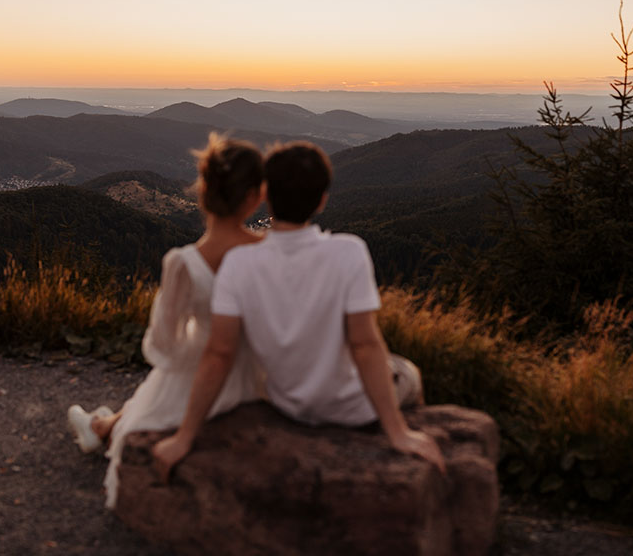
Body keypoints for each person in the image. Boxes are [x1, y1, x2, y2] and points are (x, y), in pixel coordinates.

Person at [151, 141, 444, 480]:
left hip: (286, 404)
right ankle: (407, 432)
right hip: (349, 408)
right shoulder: (349, 252)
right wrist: (398, 433)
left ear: (266, 196)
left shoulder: (239, 264)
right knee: (408, 373)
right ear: (322, 200)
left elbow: (219, 354)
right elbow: (365, 346)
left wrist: (184, 437)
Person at [66, 133, 267, 509]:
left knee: (163, 381)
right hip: (257, 375)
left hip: (207, 371)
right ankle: (104, 425)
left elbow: (163, 346)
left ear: (203, 190)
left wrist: (192, 346)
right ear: (257, 196)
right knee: (158, 388)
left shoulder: (184, 263)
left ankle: (101, 427)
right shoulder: (268, 252)